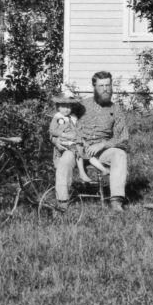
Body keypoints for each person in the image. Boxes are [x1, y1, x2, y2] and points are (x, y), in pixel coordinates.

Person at [55, 72, 130, 212]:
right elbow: (59, 119)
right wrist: (56, 139)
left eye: (108, 85)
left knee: (119, 154)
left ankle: (116, 202)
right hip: (77, 149)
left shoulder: (116, 110)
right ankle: (62, 203)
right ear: (94, 87)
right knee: (65, 159)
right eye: (101, 86)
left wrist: (103, 144)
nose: (105, 89)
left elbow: (123, 138)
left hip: (101, 152)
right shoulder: (81, 106)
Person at [48, 94, 103, 183]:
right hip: (64, 142)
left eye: (68, 107)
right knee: (77, 151)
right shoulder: (58, 117)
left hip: (75, 141)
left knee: (86, 150)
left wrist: (83, 140)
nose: (66, 109)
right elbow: (52, 131)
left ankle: (103, 169)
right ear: (58, 107)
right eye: (63, 107)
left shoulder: (73, 117)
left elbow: (78, 130)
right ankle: (82, 173)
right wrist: (63, 135)